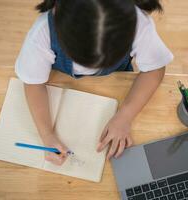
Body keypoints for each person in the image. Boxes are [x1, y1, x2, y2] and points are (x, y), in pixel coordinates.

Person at [15, 0, 174, 165]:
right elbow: (33, 84)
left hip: (117, 83)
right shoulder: (43, 32)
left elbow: (155, 69)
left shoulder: (139, 23)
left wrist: (125, 116)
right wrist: (46, 134)